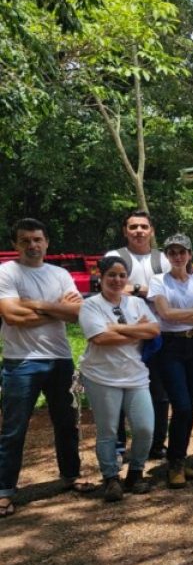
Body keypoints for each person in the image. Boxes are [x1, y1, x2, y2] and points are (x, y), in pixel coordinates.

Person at [0, 218, 89, 516]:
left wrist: (35, 305)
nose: (32, 245)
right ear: (15, 244)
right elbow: (13, 317)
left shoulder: (60, 273)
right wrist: (56, 308)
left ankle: (70, 475)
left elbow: (77, 314)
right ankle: (4, 490)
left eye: (37, 239)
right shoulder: (6, 273)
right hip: (21, 361)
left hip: (60, 358)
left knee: (66, 424)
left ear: (47, 242)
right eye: (25, 240)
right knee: (14, 429)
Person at [78, 256, 160, 501]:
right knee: (108, 431)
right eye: (111, 275)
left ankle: (136, 473)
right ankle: (111, 478)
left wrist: (114, 328)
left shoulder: (135, 303)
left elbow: (154, 331)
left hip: (135, 375)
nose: (117, 280)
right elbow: (100, 339)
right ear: (100, 277)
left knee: (145, 428)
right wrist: (137, 332)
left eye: (122, 275)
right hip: (101, 376)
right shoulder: (90, 305)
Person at [147, 233, 193, 488]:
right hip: (170, 346)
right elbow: (165, 313)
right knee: (182, 405)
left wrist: (190, 315)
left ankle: (181, 459)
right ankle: (174, 462)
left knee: (192, 404)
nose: (177, 256)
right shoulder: (158, 281)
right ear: (167, 255)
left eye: (182, 252)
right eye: (172, 252)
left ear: (189, 254)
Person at [105, 209, 168, 457]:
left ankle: (156, 443)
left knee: (159, 394)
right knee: (119, 392)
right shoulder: (114, 256)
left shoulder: (162, 259)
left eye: (143, 226)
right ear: (125, 231)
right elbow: (110, 289)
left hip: (157, 335)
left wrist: (135, 289)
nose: (139, 231)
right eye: (133, 227)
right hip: (124, 336)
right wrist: (150, 290)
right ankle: (119, 445)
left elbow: (170, 292)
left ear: (151, 230)